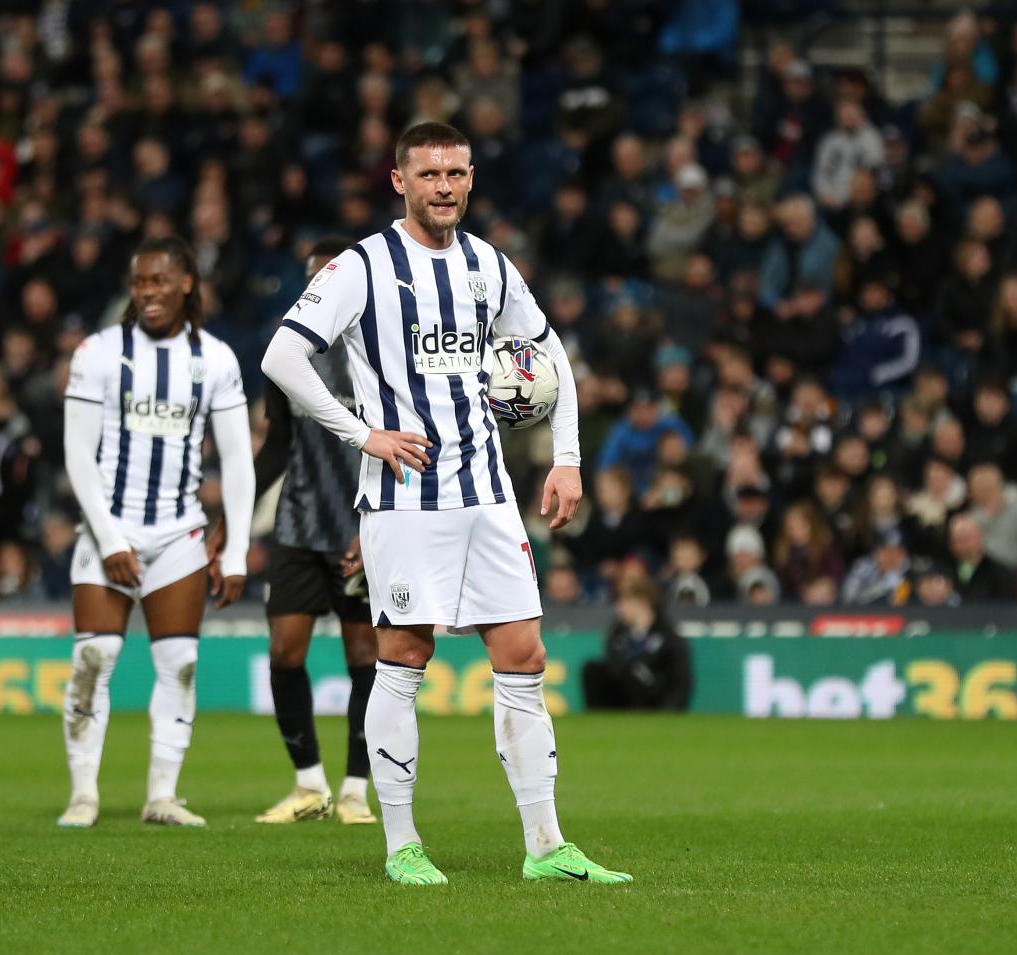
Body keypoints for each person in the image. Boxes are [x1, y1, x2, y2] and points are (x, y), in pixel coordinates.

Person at [261, 122, 630, 885]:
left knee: (523, 657)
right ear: (399, 181)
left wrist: (567, 458)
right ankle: (401, 846)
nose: (445, 187)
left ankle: (546, 847)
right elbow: (282, 355)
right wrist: (362, 433)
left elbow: (548, 351)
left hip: (488, 494)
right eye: (430, 174)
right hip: (403, 501)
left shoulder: (487, 265)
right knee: (404, 655)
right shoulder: (363, 265)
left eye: (457, 173)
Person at [57, 236, 255, 829]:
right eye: (139, 283)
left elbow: (239, 462)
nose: (147, 293)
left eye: (159, 282)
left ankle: (162, 796)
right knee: (96, 656)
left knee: (181, 664)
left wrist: (238, 548)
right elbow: (76, 453)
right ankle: (84, 794)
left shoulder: (216, 359)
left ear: (186, 283)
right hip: (107, 529)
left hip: (179, 535)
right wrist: (110, 540)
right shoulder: (98, 352)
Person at [207, 236, 378, 827]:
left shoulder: (377, 353)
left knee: (366, 656)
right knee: (285, 650)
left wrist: (384, 522)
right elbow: (276, 446)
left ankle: (356, 789)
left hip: (363, 527)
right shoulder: (289, 356)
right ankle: (309, 786)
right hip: (299, 526)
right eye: (311, 281)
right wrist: (232, 515)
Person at [583, 574, 692, 710]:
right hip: (623, 696)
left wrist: (669, 711)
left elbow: (681, 681)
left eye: (625, 602)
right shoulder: (619, 632)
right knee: (592, 669)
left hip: (653, 698)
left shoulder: (669, 637)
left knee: (636, 673)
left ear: (642, 603)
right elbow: (612, 663)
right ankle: (599, 718)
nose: (620, 608)